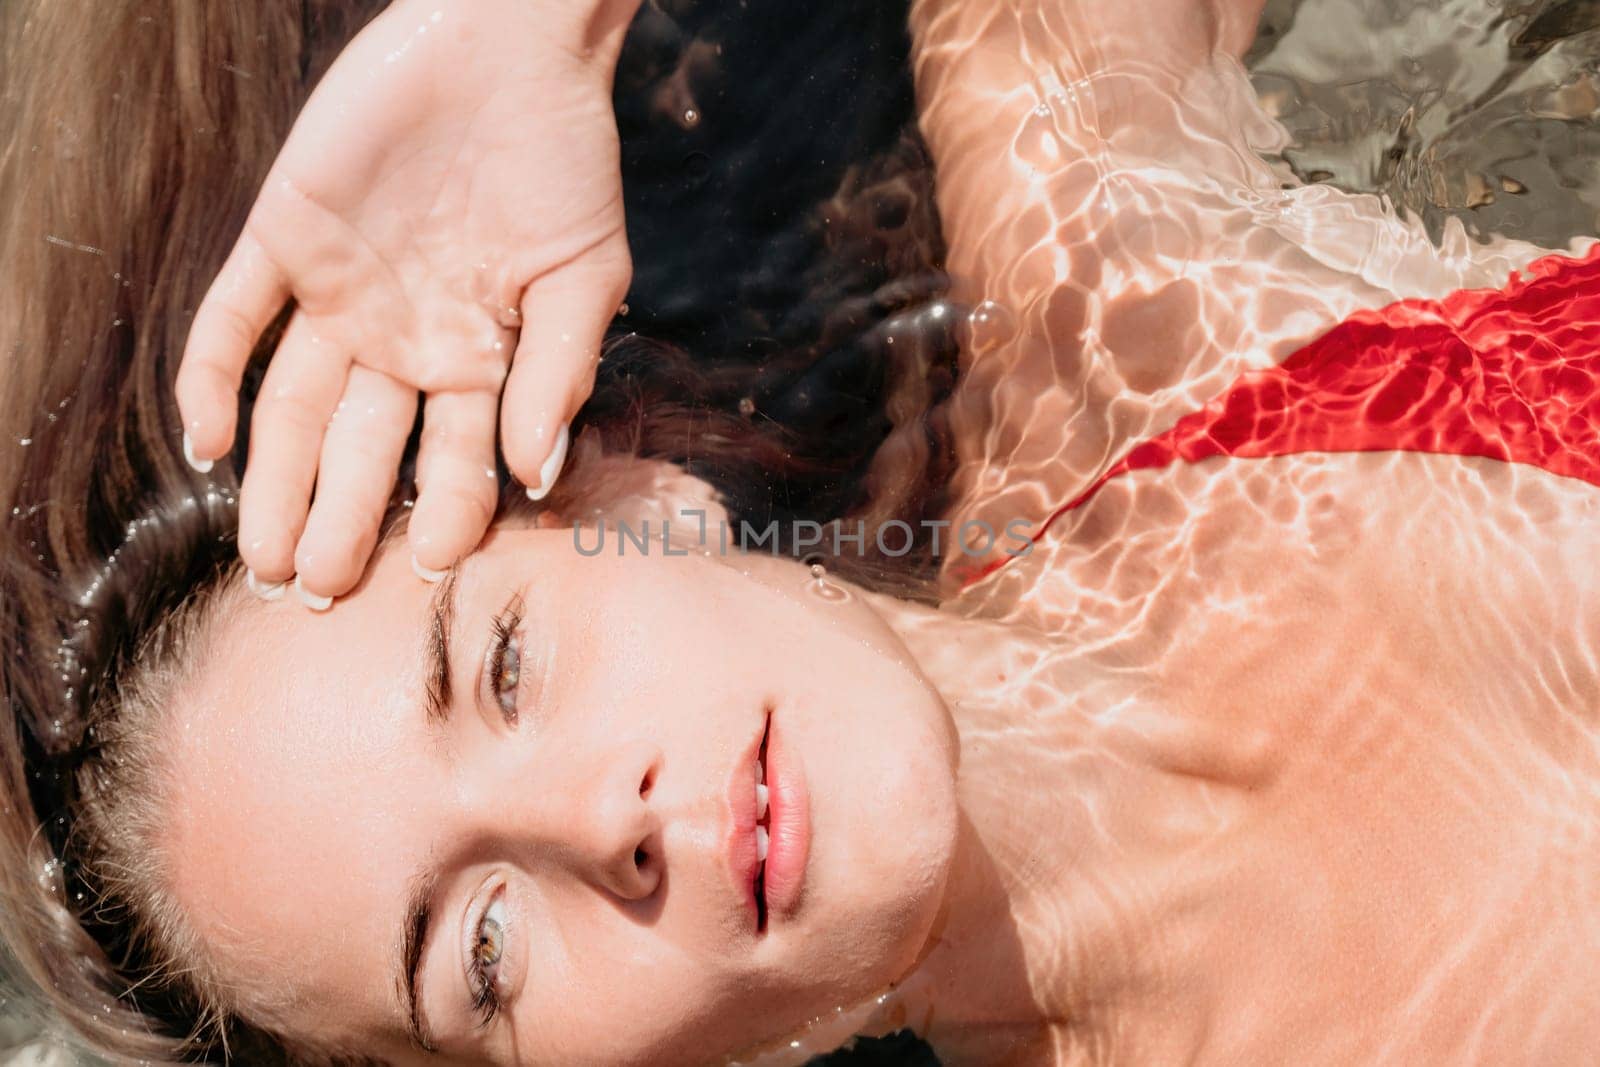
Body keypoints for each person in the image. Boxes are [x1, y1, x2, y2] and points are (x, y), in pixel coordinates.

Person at [4, 0, 1598, 1065]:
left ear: (638, 497)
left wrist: (528, 33)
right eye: (478, 952)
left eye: (501, 664)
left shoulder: (1137, 315)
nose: (592, 827)